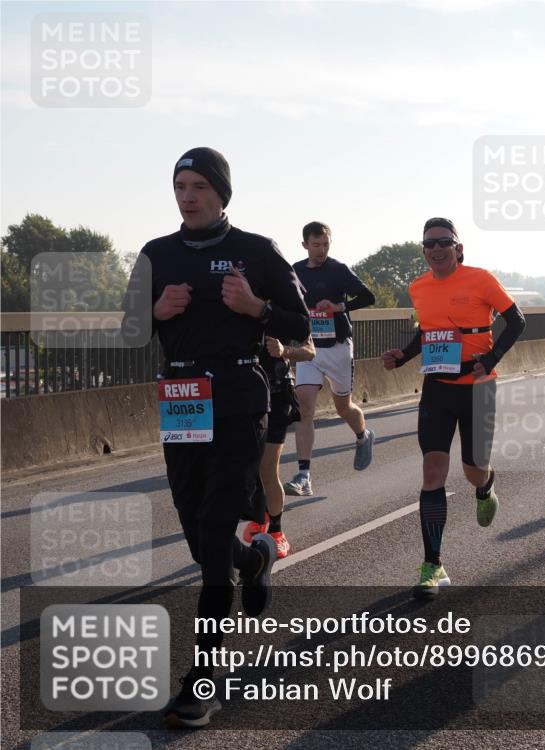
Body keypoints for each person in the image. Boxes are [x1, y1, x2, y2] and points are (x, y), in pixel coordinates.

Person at [122, 147, 310, 728]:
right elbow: (128, 333)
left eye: (200, 185)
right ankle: (252, 564)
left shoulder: (256, 251)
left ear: (222, 193)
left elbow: (303, 325)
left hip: (237, 396)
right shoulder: (157, 254)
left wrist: (256, 307)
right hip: (181, 398)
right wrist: (155, 310)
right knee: (194, 526)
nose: (188, 195)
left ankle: (202, 679)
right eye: (180, 185)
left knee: (212, 526)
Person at [381, 218, 525, 598]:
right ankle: (433, 565)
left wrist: (491, 357)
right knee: (433, 471)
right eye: (429, 244)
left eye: (444, 242)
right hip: (438, 388)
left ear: (458, 248)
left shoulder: (480, 279)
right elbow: (427, 332)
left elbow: (517, 321)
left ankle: (486, 486)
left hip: (478, 389)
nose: (436, 249)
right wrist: (404, 354)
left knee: (474, 468)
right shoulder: (418, 287)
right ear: (424, 250)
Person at [284, 222, 376, 497]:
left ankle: (363, 435)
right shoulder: (295, 271)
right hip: (309, 347)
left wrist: (339, 307)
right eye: (316, 244)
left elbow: (367, 296)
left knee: (343, 407)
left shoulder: (338, 269)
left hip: (337, 347)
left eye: (325, 244)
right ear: (305, 245)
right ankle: (304, 475)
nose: (321, 249)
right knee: (304, 408)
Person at [242, 332, 316, 558]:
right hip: (242, 391)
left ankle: (276, 530)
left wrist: (285, 350)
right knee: (247, 466)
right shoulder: (232, 299)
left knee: (267, 468)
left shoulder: (285, 301)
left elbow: (310, 351)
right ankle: (261, 512)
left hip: (277, 391)